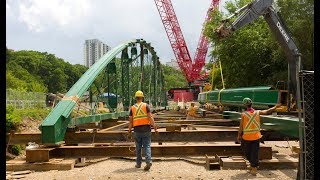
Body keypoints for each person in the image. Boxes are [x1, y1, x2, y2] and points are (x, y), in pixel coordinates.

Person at [237, 97, 281, 175]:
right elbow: (267, 111)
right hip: (256, 136)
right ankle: (253, 167)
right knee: (254, 152)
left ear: (244, 105)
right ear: (252, 104)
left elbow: (241, 127)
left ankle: (253, 167)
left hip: (246, 137)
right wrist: (275, 107)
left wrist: (239, 136)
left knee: (247, 152)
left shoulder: (243, 114)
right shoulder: (257, 112)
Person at [128, 90, 158, 171]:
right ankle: (148, 161)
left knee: (138, 147)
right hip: (146, 129)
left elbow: (131, 121)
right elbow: (150, 117)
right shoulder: (146, 106)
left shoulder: (132, 108)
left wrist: (129, 131)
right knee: (147, 146)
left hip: (137, 130)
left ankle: (138, 164)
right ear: (142, 98)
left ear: (136, 98)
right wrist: (155, 127)